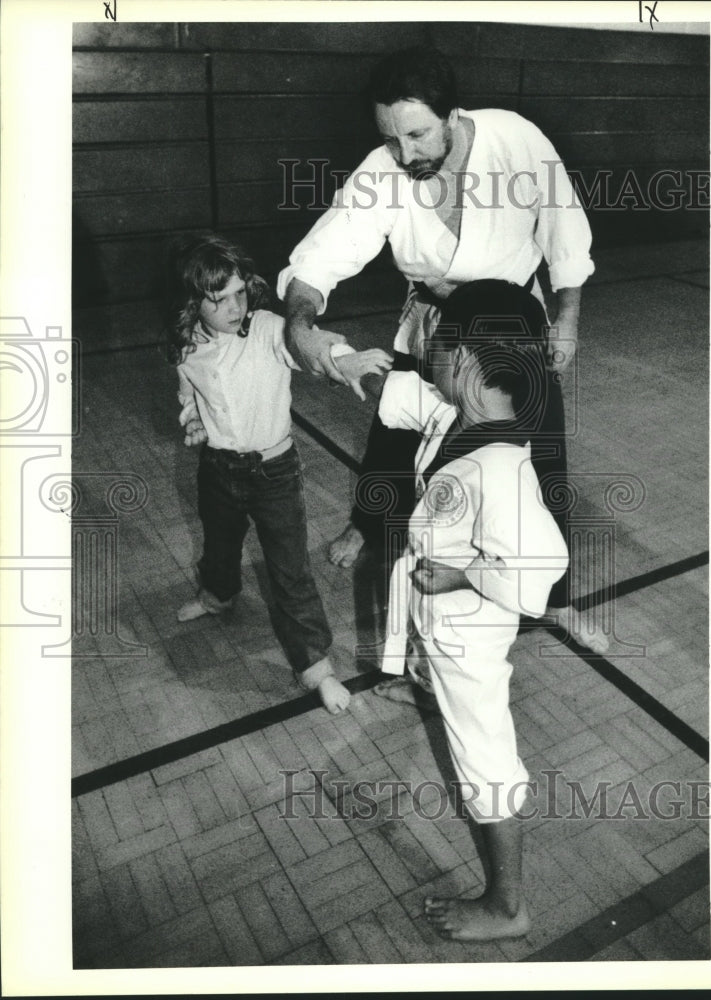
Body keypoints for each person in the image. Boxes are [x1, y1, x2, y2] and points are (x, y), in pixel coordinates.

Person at [275, 45, 607, 656]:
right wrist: (301, 322)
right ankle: (369, 523)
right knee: (395, 437)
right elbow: (321, 257)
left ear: (453, 114)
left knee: (545, 464)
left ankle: (558, 598)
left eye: (418, 134)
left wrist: (568, 318)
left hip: (510, 328)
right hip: (433, 324)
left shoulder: (516, 140)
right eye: (392, 138)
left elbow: (564, 229)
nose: (406, 154)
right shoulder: (383, 170)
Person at [380, 282, 569, 940]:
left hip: (469, 642)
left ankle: (507, 906)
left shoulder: (500, 467)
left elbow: (542, 574)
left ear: (462, 360)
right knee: (469, 743)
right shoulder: (463, 417)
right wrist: (331, 354)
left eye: (436, 341)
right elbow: (395, 393)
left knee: (482, 756)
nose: (425, 352)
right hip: (442, 627)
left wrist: (464, 570)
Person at [168, 233, 391, 714]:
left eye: (240, 293)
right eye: (219, 299)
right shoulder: (187, 348)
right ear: (193, 304)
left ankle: (317, 668)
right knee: (219, 544)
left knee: (290, 572)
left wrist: (344, 360)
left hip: (274, 473)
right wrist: (194, 422)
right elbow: (190, 396)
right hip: (218, 469)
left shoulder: (268, 328)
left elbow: (307, 349)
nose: (235, 306)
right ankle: (218, 597)